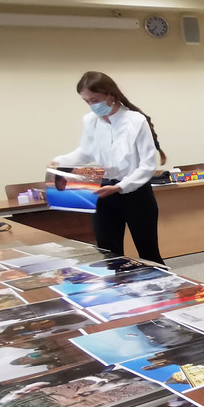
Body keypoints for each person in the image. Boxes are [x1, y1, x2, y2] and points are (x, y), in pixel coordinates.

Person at [50, 71, 166, 264]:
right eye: (86, 101)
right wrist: (60, 161)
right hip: (103, 191)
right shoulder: (90, 120)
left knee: (149, 253)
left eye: (94, 100)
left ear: (110, 94)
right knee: (108, 255)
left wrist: (120, 186)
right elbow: (85, 153)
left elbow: (147, 165)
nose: (91, 105)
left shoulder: (136, 120)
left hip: (135, 193)